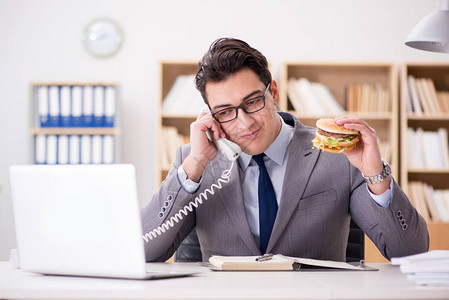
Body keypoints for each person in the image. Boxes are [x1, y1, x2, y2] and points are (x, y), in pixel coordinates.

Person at [141, 37, 429, 262]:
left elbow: (410, 254)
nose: (244, 123)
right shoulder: (194, 163)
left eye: (253, 101)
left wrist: (375, 174)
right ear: (211, 116)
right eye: (226, 111)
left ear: (274, 93)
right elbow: (143, 251)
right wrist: (194, 166)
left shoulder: (339, 156)